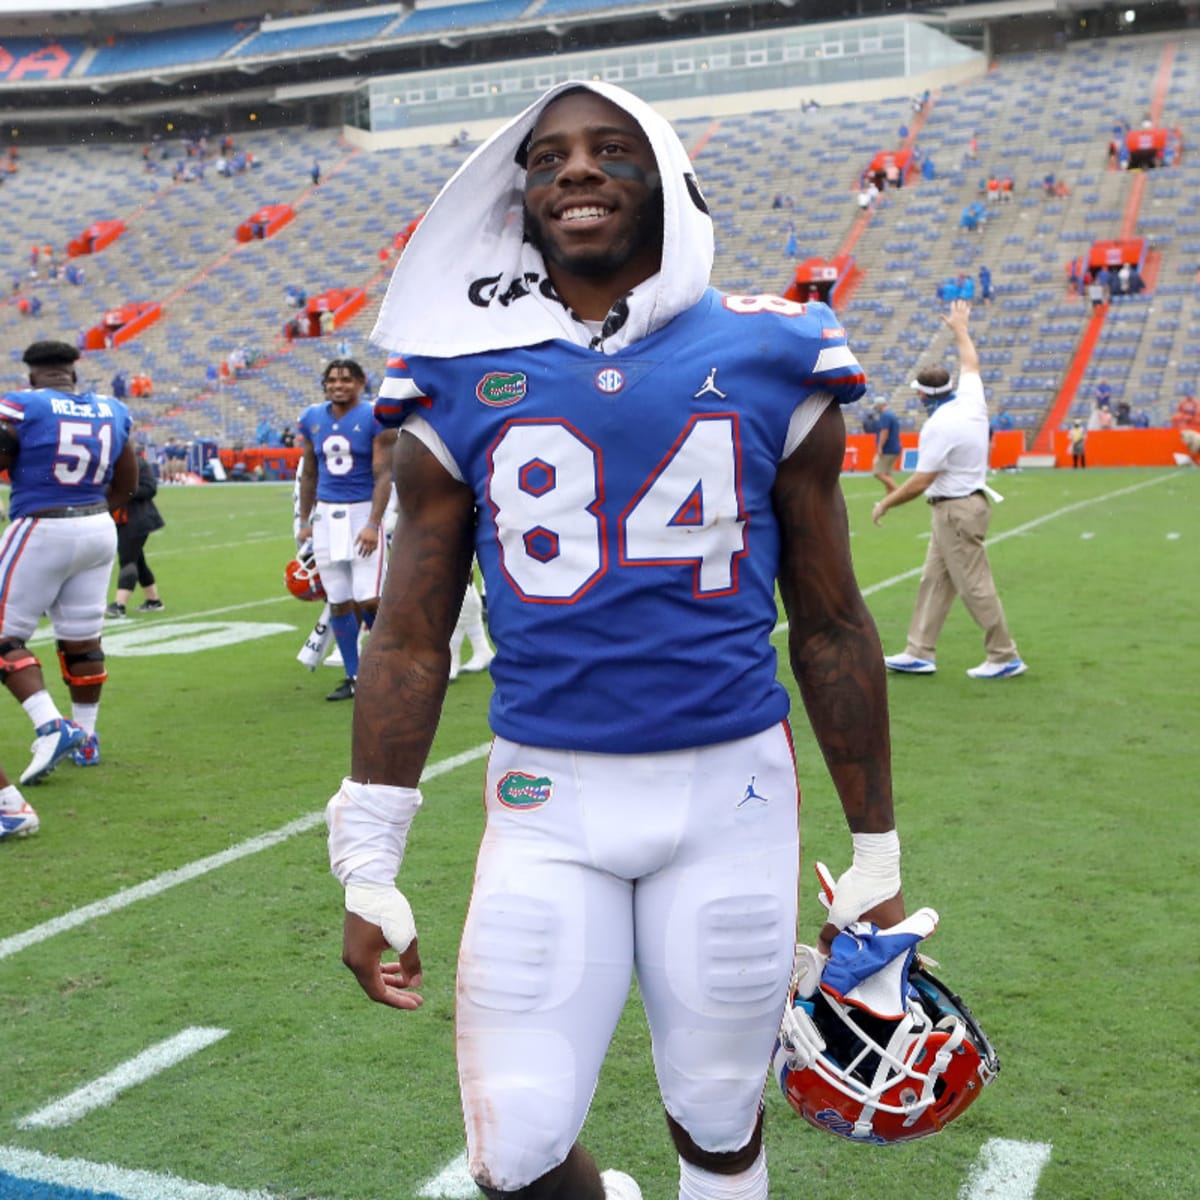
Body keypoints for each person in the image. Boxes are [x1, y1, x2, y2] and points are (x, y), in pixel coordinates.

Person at [325, 82, 905, 1200]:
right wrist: (370, 856)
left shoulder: (772, 347)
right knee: (515, 1156)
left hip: (731, 793)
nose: (576, 170)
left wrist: (875, 851)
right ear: (520, 198)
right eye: (547, 158)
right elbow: (409, 636)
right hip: (546, 795)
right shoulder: (455, 368)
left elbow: (831, 623)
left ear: (671, 178)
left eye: (609, 149)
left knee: (720, 1121)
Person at [0, 340, 136, 783]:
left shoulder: (24, 404)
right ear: (73, 373)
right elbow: (128, 478)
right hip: (97, 526)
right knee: (83, 640)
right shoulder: (112, 409)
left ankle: (51, 725)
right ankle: (87, 737)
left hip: (41, 524)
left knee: (4, 637)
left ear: (32, 375)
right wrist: (91, 511)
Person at [872, 301, 1025, 680]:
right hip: (959, 506)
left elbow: (921, 480)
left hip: (956, 510)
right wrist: (960, 329)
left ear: (923, 396)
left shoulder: (938, 426)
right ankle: (919, 651)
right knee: (934, 581)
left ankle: (1004, 655)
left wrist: (886, 502)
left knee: (974, 585)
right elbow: (970, 362)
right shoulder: (971, 399)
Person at [296, 359, 397, 701]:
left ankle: (390, 666)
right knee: (338, 600)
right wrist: (305, 520)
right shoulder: (312, 417)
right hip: (326, 515)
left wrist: (373, 523)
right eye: (332, 380)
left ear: (360, 382)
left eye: (346, 380)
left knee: (369, 597)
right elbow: (310, 472)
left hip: (361, 511)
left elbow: (384, 474)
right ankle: (355, 675)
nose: (338, 385)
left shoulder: (375, 416)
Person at [105, 443, 166, 624]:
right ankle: (153, 600)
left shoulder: (138, 463)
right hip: (119, 519)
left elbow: (150, 489)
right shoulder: (109, 465)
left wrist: (125, 490)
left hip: (137, 519)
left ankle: (119, 604)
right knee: (137, 560)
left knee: (128, 559)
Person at [871, 397, 902, 493]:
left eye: (876, 407)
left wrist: (880, 446)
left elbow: (885, 432)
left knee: (877, 472)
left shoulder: (885, 416)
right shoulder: (892, 414)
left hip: (888, 449)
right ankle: (890, 498)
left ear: (880, 405)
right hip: (895, 447)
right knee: (887, 474)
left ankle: (899, 493)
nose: (876, 409)